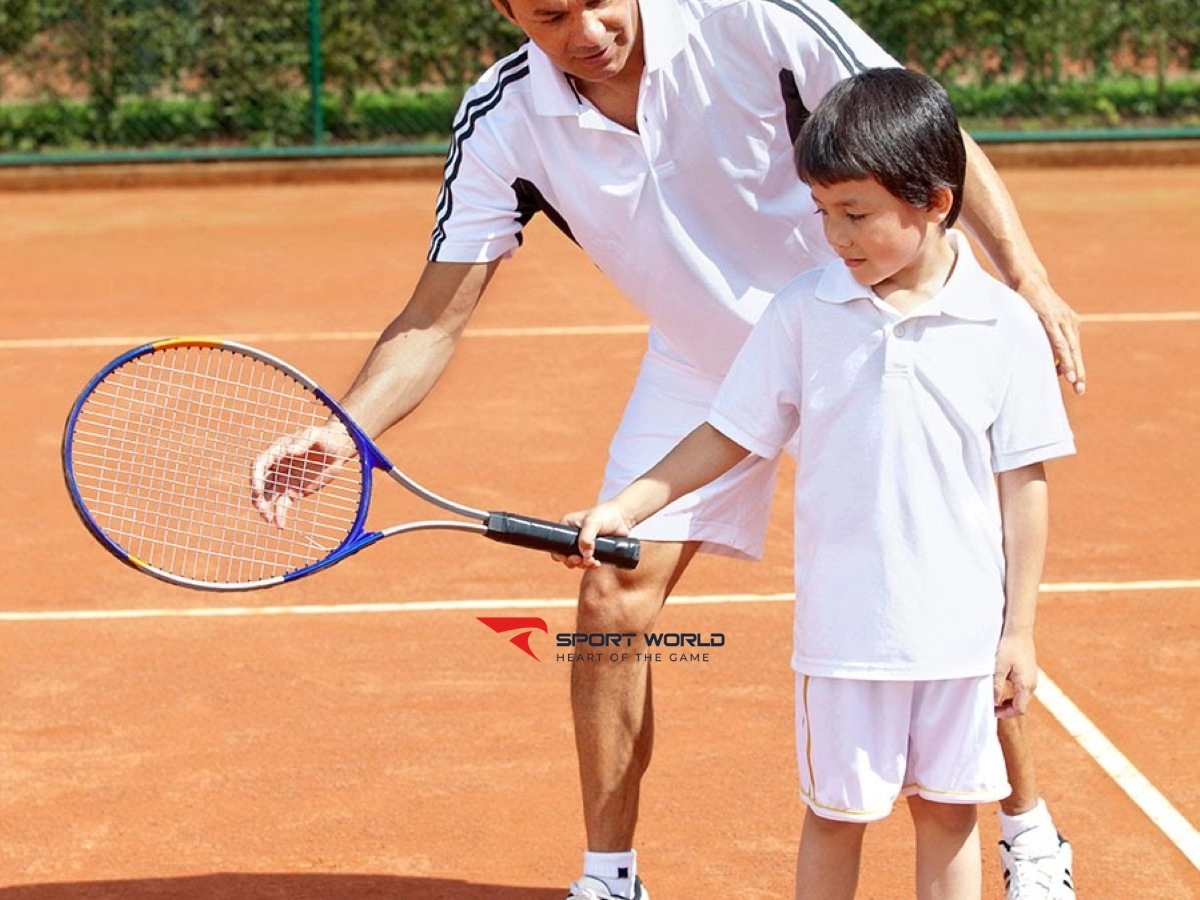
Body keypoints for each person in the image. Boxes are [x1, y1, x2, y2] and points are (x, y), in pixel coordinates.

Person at [250, 2, 1084, 897]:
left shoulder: (756, 20)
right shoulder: (504, 117)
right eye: (549, 14)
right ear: (504, 9)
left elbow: (928, 130)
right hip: (704, 364)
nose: (587, 30)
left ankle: (1027, 832)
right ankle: (609, 875)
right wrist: (346, 430)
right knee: (610, 589)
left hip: (857, 322)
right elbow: (434, 316)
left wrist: (1027, 278)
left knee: (944, 588)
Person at [561, 67, 1076, 900]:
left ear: (936, 203)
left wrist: (1017, 631)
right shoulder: (803, 310)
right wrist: (629, 503)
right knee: (837, 817)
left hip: (961, 640)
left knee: (950, 816)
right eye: (823, 213)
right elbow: (729, 433)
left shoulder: (1005, 326)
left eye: (857, 214)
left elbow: (1025, 484)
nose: (835, 236)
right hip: (845, 642)